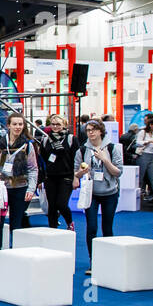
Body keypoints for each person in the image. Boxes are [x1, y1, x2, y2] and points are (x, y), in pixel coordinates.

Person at [0, 113, 38, 264]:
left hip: (20, 187)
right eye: (15, 124)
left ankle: (15, 253)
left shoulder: (28, 145)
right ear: (8, 125)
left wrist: (31, 189)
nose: (18, 127)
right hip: (3, 189)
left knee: (16, 222)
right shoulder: (0, 143)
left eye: (20, 124)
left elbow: (33, 169)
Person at [75, 119, 122, 274]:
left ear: (101, 131)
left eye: (94, 129)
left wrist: (105, 160)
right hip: (91, 193)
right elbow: (76, 172)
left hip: (110, 192)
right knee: (92, 227)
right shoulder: (82, 150)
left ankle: (108, 260)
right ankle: (93, 261)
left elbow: (118, 172)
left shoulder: (113, 148)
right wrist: (82, 173)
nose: (91, 133)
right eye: (88, 130)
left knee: (107, 227)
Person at [36, 114, 77, 231]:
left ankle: (69, 222)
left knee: (61, 204)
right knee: (52, 206)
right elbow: (42, 161)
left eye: (58, 124)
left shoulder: (71, 139)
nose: (55, 126)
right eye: (53, 124)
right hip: (50, 177)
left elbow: (76, 159)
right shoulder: (45, 140)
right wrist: (41, 179)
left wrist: (76, 177)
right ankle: (52, 229)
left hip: (66, 176)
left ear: (64, 125)